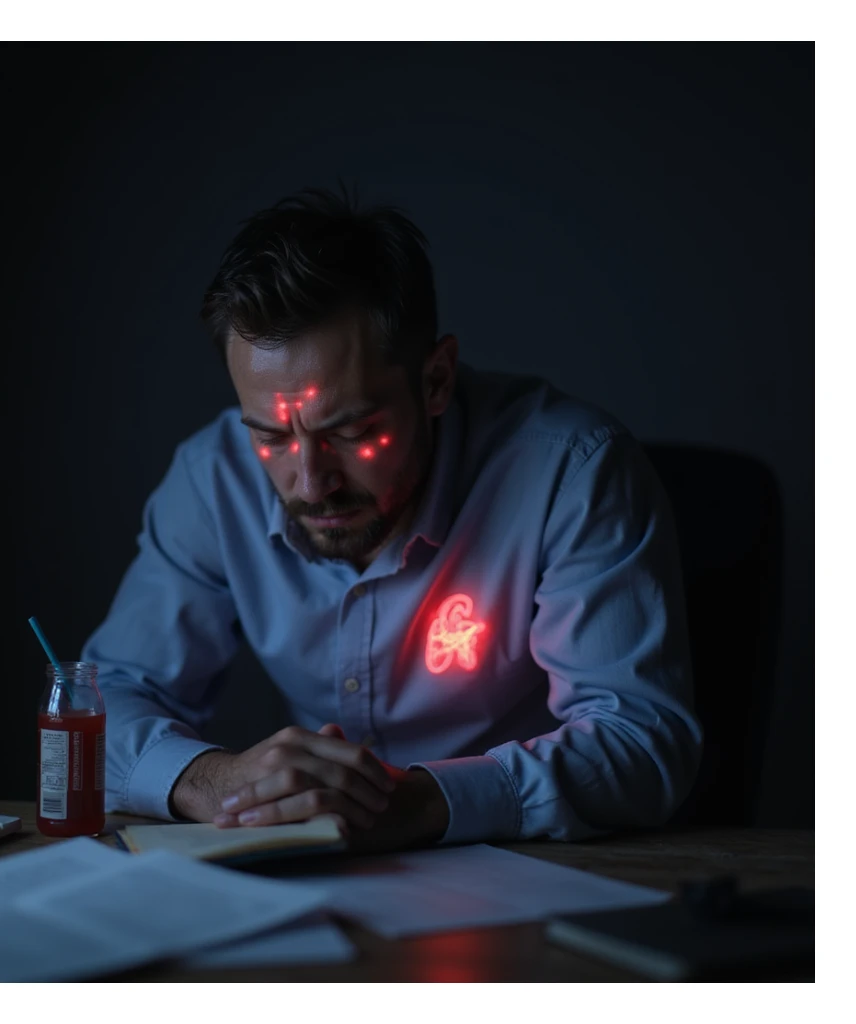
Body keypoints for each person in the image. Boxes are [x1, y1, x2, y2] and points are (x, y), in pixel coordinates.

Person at [83, 184, 703, 851]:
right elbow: (100, 703)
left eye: (353, 432)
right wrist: (213, 781)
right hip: (317, 877)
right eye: (271, 436)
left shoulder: (571, 472)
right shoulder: (215, 478)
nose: (311, 482)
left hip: (525, 868)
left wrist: (422, 804)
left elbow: (641, 742)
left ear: (435, 381)